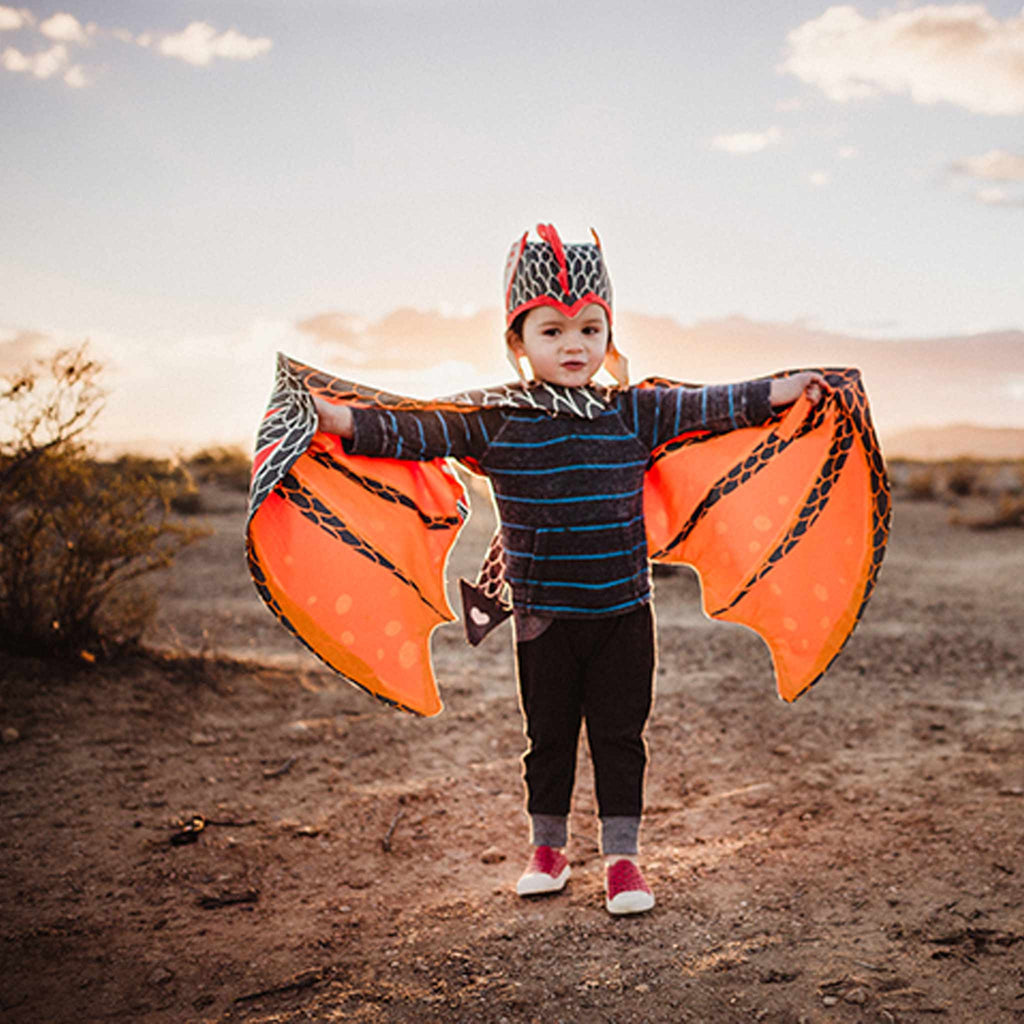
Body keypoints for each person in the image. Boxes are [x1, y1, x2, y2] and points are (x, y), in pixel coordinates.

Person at [312, 224, 825, 915]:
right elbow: (415, 428)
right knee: (547, 739)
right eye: (551, 331)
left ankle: (623, 864)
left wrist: (779, 389)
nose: (573, 345)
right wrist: (336, 419)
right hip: (542, 617)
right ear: (518, 344)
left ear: (608, 337)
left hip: (622, 613)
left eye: (589, 328)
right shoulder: (496, 417)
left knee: (620, 738)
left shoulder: (635, 411)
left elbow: (712, 404)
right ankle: (547, 850)